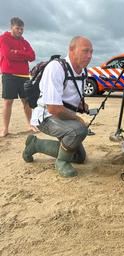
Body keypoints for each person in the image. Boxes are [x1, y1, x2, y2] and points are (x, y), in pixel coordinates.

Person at [22, 36, 93, 177]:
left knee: (79, 157)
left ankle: (35, 144)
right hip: (46, 117)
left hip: (63, 118)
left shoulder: (83, 71)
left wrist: (81, 106)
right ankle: (61, 162)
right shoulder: (56, 68)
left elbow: (69, 97)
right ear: (71, 50)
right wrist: (78, 119)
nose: (90, 56)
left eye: (91, 52)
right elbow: (53, 108)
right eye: (85, 51)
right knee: (78, 130)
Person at [0, 17, 36, 137]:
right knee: (8, 102)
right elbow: (8, 55)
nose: (20, 31)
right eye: (17, 28)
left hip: (24, 75)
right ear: (11, 27)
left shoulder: (24, 42)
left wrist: (17, 52)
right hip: (9, 74)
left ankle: (31, 124)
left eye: (22, 29)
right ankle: (5, 128)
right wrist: (21, 54)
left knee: (27, 101)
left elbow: (32, 56)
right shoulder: (4, 38)